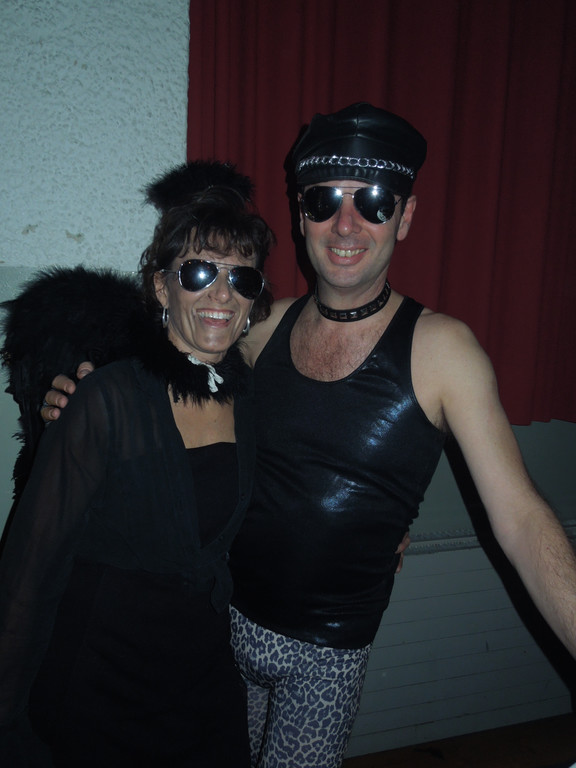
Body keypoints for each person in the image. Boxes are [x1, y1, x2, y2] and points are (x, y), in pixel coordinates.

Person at [38, 103, 576, 768]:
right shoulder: (260, 329)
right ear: (300, 215)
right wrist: (79, 391)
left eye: (372, 202)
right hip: (217, 629)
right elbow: (164, 371)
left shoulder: (445, 351)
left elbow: (521, 517)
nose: (346, 224)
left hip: (325, 658)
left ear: (405, 216)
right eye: (324, 201)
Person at [0, 160, 274, 767]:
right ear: (161, 287)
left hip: (201, 676)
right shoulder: (106, 397)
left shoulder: (249, 400)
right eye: (198, 272)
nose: (221, 294)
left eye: (242, 277)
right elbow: (28, 573)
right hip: (100, 684)